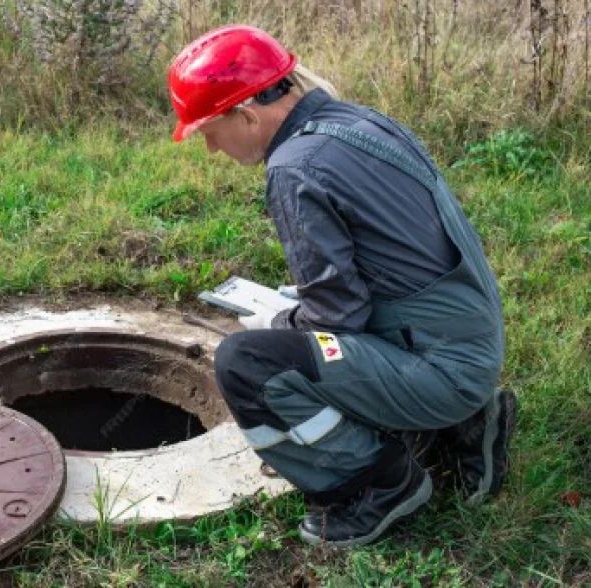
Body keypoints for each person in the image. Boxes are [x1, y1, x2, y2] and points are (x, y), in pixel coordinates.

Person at [167, 24, 517, 548]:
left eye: (209, 132)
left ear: (246, 114)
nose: (212, 149)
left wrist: (279, 323)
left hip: (441, 368)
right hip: (468, 339)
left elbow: (336, 318)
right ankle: (466, 420)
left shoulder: (293, 168)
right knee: (296, 322)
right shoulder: (355, 121)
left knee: (248, 366)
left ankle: (376, 483)